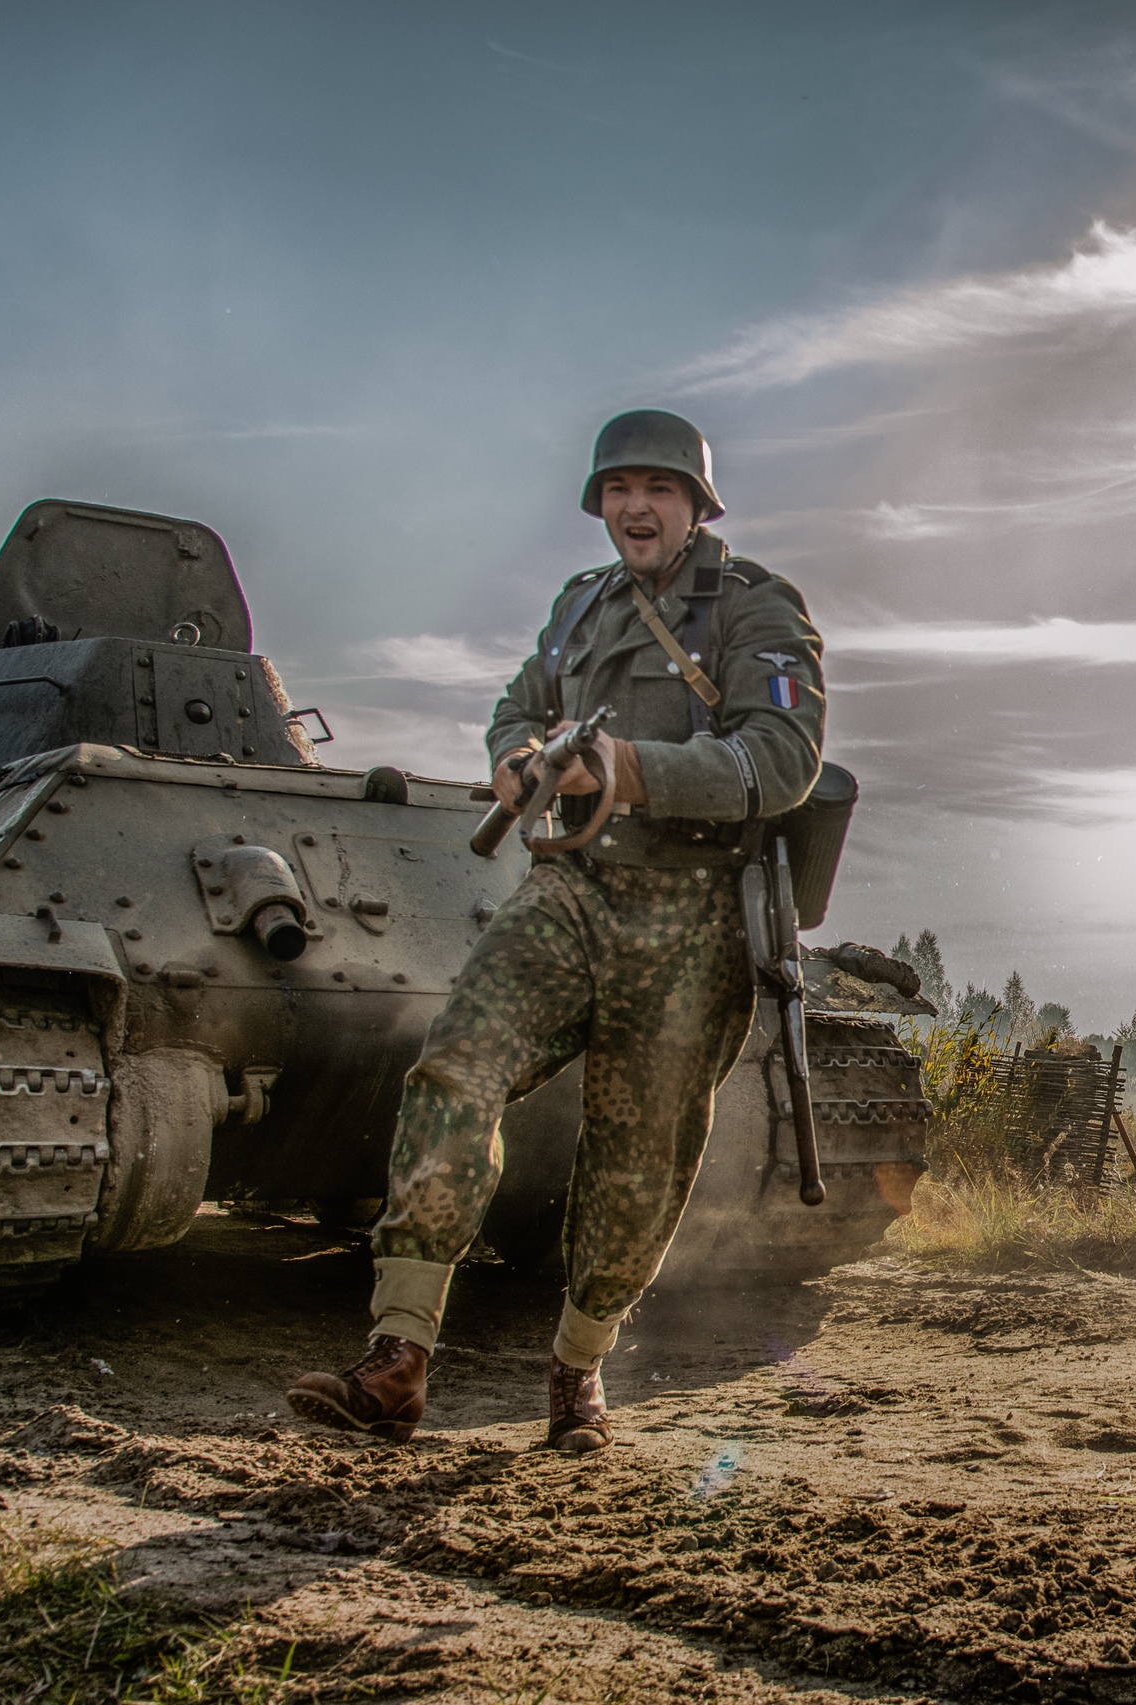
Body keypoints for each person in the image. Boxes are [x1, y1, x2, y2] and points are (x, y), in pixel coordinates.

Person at [289, 409, 825, 1448]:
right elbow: (518, 704)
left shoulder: (756, 605)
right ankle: (399, 1352)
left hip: (689, 918)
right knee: (456, 1066)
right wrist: (512, 757)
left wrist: (630, 768)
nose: (636, 506)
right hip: (571, 891)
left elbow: (782, 756)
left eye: (658, 488)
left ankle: (578, 1367)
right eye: (619, 488)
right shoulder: (580, 606)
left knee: (638, 1166)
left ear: (696, 505)